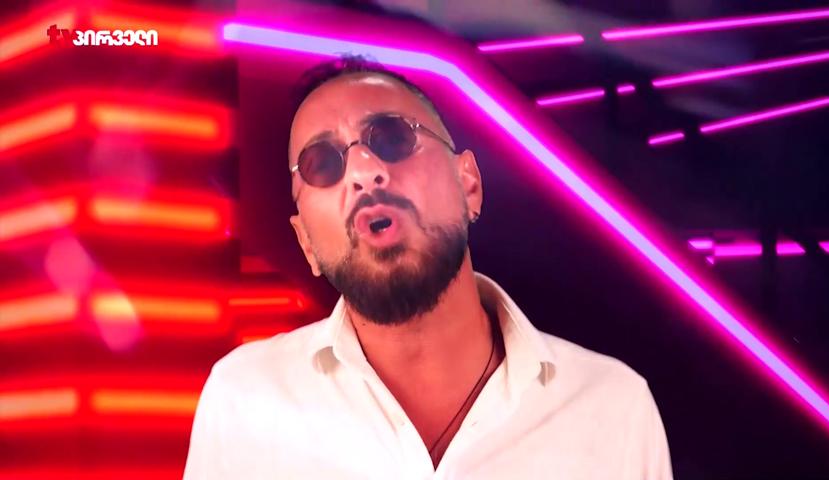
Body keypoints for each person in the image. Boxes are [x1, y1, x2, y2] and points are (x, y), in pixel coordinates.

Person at [183, 56, 673, 479]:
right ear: (306, 243)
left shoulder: (614, 407)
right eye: (322, 165)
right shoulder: (244, 399)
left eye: (391, 137)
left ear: (469, 184)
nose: (363, 171)